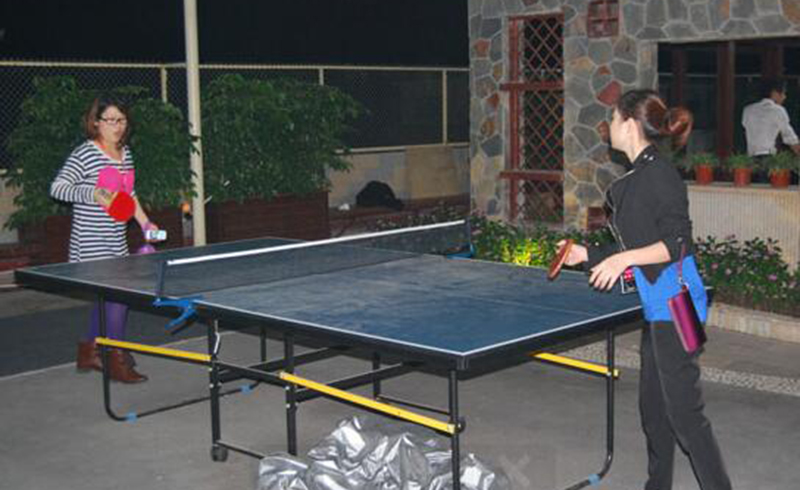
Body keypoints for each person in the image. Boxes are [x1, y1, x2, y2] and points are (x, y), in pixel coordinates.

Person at [560, 90, 732, 490]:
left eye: (613, 119)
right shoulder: (636, 178)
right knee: (654, 412)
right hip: (658, 305)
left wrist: (623, 259)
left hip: (680, 304)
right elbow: (635, 246)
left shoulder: (659, 175)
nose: (608, 127)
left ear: (630, 124)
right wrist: (587, 254)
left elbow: (677, 243)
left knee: (685, 415)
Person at [50, 95, 161, 383]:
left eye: (121, 120)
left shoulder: (125, 154)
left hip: (116, 240)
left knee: (107, 299)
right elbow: (58, 188)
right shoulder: (85, 153)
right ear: (96, 123)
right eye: (110, 120)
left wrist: (145, 223)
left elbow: (128, 195)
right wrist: (93, 193)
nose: (117, 126)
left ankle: (89, 351)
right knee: (118, 297)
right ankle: (115, 358)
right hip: (90, 242)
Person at [741, 78, 800, 161]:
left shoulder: (747, 110)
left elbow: (745, 126)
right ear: (774, 93)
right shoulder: (778, 110)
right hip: (768, 159)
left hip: (750, 159)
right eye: (783, 93)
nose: (784, 97)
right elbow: (790, 137)